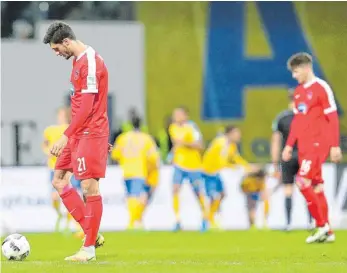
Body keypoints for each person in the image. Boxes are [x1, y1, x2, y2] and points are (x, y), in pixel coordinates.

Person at [43, 21, 110, 261]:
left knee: (89, 186)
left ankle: (88, 248)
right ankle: (91, 233)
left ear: (66, 41)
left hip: (90, 132)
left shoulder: (90, 63)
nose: (56, 53)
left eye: (56, 49)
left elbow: (90, 106)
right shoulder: (77, 62)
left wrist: (65, 135)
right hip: (80, 132)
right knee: (59, 180)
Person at [282, 52, 342, 243]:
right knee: (317, 187)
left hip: (319, 143)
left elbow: (332, 117)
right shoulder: (299, 92)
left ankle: (321, 225)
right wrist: (289, 145)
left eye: (296, 71)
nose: (294, 75)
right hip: (305, 147)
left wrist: (334, 145)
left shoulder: (321, 88)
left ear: (307, 68)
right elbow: (298, 122)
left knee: (301, 180)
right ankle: (328, 232)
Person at [271, 91, 313, 231]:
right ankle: (311, 222)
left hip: (287, 157)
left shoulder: (281, 118)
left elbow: (276, 141)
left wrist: (275, 162)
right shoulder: (306, 116)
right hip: (303, 156)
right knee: (307, 188)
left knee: (288, 190)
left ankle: (288, 223)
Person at [202, 125, 257, 229]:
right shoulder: (221, 143)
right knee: (215, 196)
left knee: (221, 195)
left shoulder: (231, 145)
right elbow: (222, 162)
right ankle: (207, 221)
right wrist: (236, 167)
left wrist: (248, 167)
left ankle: (211, 220)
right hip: (208, 173)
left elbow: (237, 158)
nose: (239, 136)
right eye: (237, 133)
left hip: (215, 173)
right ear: (230, 134)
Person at [111, 117, 159, 229]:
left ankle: (134, 221)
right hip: (140, 170)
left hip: (127, 170)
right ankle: (134, 221)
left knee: (131, 196)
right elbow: (153, 156)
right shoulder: (146, 138)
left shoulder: (123, 138)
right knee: (138, 196)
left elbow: (115, 155)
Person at [42, 107, 83, 234]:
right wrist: (47, 152)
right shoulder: (49, 130)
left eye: (62, 114)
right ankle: (61, 214)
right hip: (54, 168)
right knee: (54, 197)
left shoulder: (71, 129)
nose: (60, 117)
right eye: (59, 114)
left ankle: (76, 223)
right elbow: (44, 144)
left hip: (69, 168)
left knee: (72, 194)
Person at [168, 107, 208, 231]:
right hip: (178, 165)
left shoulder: (192, 127)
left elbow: (200, 145)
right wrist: (171, 154)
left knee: (198, 192)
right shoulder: (172, 128)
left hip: (193, 165)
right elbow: (176, 145)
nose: (176, 117)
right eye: (175, 114)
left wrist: (185, 143)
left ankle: (205, 218)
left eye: (179, 114)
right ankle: (177, 220)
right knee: (175, 189)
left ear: (186, 116)